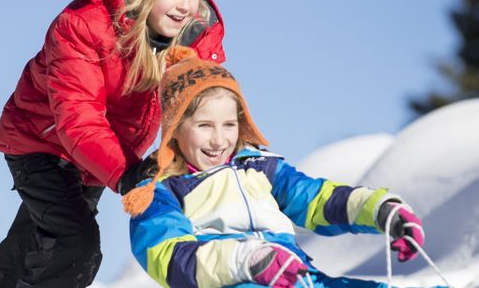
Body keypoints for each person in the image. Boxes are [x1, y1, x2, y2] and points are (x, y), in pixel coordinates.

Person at [0, 0, 228, 288]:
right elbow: (78, 118)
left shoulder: (194, 37)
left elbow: (204, 105)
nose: (185, 7)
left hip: (107, 151)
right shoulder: (83, 25)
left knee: (40, 241)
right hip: (41, 141)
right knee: (75, 246)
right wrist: (127, 172)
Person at [122, 47, 430, 288]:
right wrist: (249, 260)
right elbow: (170, 258)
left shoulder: (259, 168)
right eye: (204, 126)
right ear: (176, 129)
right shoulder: (161, 192)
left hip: (295, 277)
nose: (219, 140)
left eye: (229, 125)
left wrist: (380, 210)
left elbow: (317, 199)